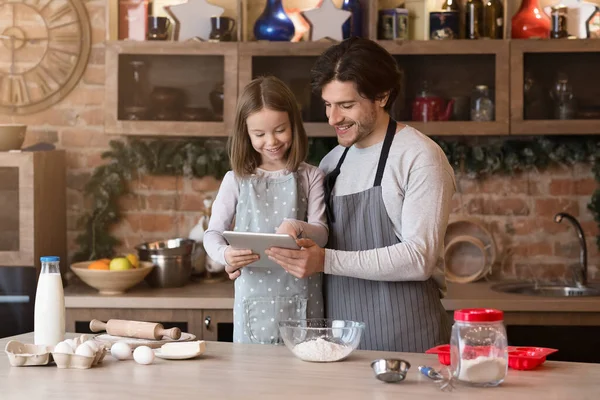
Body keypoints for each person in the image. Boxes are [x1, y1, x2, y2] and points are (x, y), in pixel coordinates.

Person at [264, 37, 457, 353]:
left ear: (381, 96)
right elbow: (324, 237)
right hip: (341, 341)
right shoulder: (333, 162)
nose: (333, 118)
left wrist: (325, 260)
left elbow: (419, 259)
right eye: (328, 104)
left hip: (406, 337)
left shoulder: (419, 156)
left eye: (346, 105)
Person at [203, 76, 329, 345]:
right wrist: (225, 254)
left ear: (294, 124)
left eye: (280, 129)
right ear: (245, 134)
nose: (271, 141)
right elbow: (212, 234)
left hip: (303, 296)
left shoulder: (311, 176)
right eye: (259, 135)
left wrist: (299, 227)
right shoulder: (235, 179)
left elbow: (322, 234)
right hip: (253, 299)